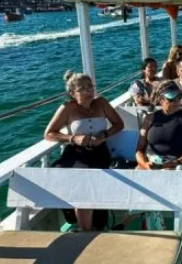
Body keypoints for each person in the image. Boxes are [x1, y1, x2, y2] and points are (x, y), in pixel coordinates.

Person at [44, 71, 124, 231]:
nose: (89, 91)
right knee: (75, 177)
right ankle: (85, 230)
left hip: (99, 151)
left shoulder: (101, 103)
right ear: (73, 93)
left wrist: (105, 134)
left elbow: (119, 124)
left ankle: (90, 227)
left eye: (90, 87)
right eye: (83, 88)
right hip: (76, 153)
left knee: (89, 178)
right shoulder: (67, 108)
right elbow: (49, 134)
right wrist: (73, 138)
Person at [135, 81, 182, 170]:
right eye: (171, 99)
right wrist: (145, 165)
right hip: (150, 164)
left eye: (179, 97)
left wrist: (177, 162)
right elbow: (139, 150)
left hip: (175, 165)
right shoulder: (149, 119)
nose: (176, 101)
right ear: (161, 100)